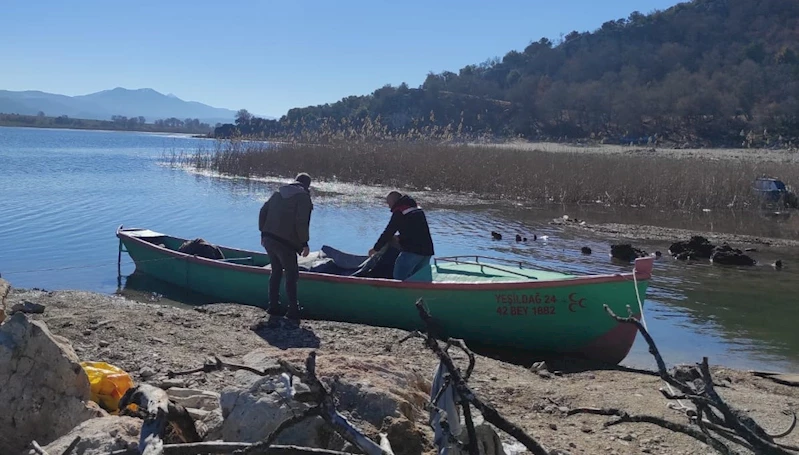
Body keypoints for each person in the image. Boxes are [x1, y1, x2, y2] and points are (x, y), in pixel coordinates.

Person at [258, 173, 313, 322]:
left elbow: (263, 211)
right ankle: (293, 310)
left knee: (276, 270)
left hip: (269, 238)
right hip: (285, 242)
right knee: (291, 273)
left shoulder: (278, 193)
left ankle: (274, 306)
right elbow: (301, 222)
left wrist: (263, 232)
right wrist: (304, 243)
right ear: (307, 185)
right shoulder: (303, 198)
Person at [369, 191, 435, 280]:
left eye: (389, 203)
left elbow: (388, 232)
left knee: (399, 278)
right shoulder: (417, 209)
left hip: (412, 252)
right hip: (427, 251)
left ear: (393, 201)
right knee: (419, 280)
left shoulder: (400, 211)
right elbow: (416, 231)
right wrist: (399, 237)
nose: (389, 207)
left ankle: (397, 293)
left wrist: (376, 249)